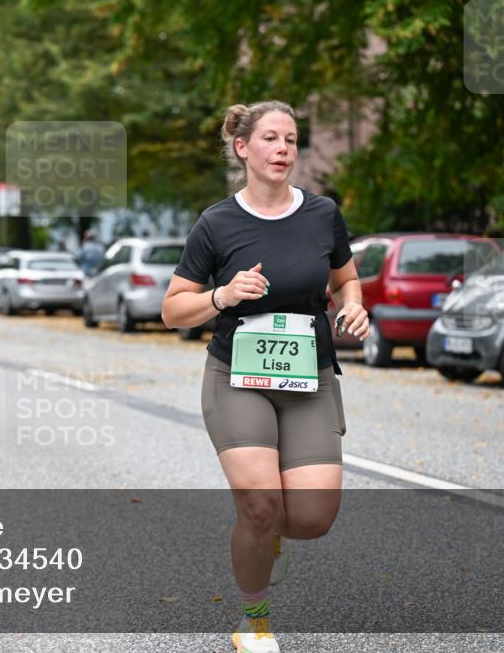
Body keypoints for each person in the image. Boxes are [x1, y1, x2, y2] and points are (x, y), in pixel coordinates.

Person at [161, 101, 369, 653]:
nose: (283, 149)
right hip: (237, 376)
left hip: (309, 378)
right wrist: (222, 295)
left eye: (292, 140)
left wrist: (354, 306)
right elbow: (173, 309)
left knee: (311, 517)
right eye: (272, 138)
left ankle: (271, 537)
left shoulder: (322, 214)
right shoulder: (218, 222)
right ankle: (253, 622)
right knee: (259, 505)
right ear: (243, 148)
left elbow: (347, 280)